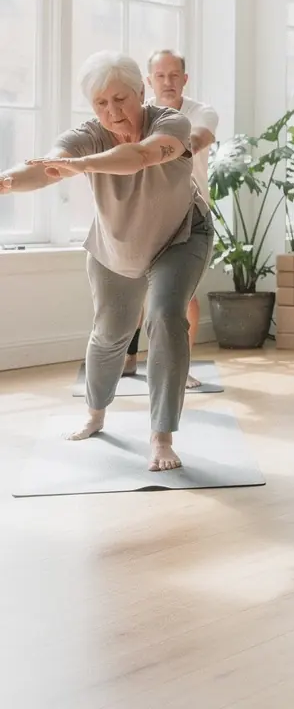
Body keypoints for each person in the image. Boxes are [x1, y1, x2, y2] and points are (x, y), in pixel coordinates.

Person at [0, 52, 213, 471]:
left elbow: (142, 156)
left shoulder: (171, 124)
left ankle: (161, 435)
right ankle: (95, 413)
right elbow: (44, 168)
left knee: (166, 316)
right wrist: (5, 183)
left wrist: (80, 165)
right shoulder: (87, 135)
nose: (113, 112)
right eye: (101, 104)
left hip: (181, 234)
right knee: (110, 333)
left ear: (141, 91)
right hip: (116, 242)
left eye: (121, 99)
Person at [117, 50, 220, 388]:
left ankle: (181, 366)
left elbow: (201, 137)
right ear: (149, 81)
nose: (168, 82)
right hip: (145, 213)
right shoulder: (141, 116)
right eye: (160, 76)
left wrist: (168, 146)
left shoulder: (200, 112)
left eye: (174, 75)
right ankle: (130, 356)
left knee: (181, 296)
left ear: (185, 79)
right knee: (136, 290)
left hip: (189, 216)